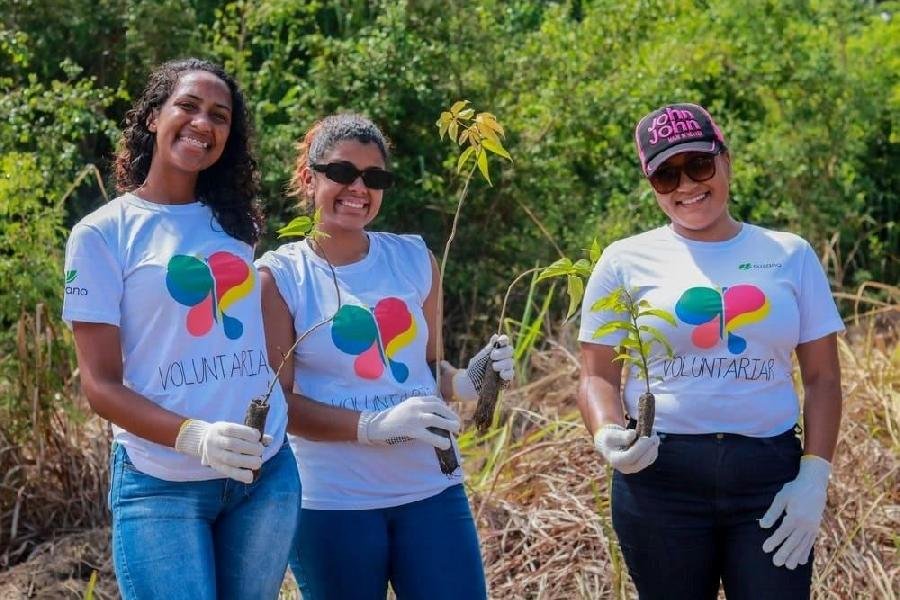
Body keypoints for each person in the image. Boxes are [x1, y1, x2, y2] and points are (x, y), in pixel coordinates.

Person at [578, 103, 844, 599]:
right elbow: (596, 375)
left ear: (726, 159)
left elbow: (824, 377)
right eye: (666, 176)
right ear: (650, 183)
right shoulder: (623, 262)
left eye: (699, 165)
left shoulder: (789, 254)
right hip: (659, 480)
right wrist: (609, 434)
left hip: (768, 478)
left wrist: (815, 475)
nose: (686, 186)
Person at [62, 58, 299, 599]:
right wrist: (195, 436)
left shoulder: (238, 225)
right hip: (160, 483)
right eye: (187, 106)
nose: (203, 123)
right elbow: (99, 387)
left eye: (219, 115)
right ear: (153, 117)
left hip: (263, 476)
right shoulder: (101, 235)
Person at [256, 113, 514, 599]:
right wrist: (372, 427)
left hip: (432, 490)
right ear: (309, 178)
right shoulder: (280, 276)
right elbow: (279, 402)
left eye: (374, 178)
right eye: (342, 173)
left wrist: (468, 382)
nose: (358, 188)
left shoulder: (414, 257)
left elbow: (429, 367)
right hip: (332, 502)